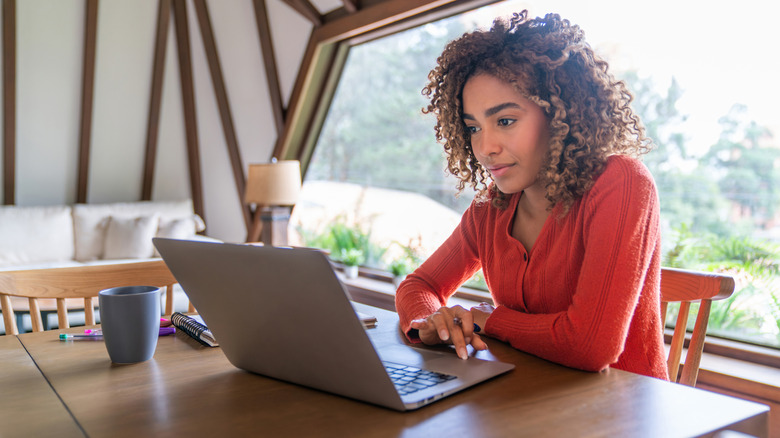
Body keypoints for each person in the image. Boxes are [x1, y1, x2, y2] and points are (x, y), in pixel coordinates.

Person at [395, 10, 668, 380]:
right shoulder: (490, 209)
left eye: (505, 121)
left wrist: (488, 320)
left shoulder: (620, 183)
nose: (485, 147)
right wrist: (434, 322)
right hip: (525, 400)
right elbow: (419, 285)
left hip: (623, 413)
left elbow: (591, 345)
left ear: (560, 114)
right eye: (473, 127)